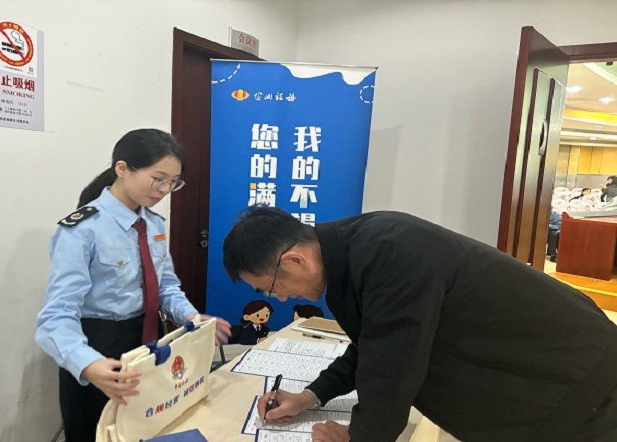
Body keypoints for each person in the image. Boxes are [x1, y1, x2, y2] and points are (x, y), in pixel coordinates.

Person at [222, 206, 617, 442]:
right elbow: (374, 345)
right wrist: (311, 396)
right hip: (555, 377)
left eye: (272, 287)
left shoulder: (385, 252)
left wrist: (359, 438)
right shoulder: (354, 253)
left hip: (578, 382)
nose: (280, 298)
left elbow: (392, 369)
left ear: (294, 260)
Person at [35, 129, 231, 442]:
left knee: (146, 429)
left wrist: (192, 318)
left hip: (147, 343)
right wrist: (88, 365)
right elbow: (56, 316)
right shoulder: (82, 230)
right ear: (123, 168)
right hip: (99, 348)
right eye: (158, 179)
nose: (165, 190)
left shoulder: (152, 224)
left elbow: (165, 286)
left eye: (173, 182)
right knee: (94, 434)